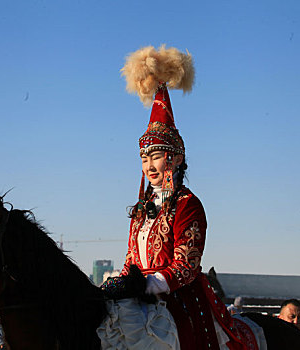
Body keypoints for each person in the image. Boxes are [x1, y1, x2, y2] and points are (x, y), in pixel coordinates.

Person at [101, 46, 256, 350]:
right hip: (139, 297)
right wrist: (121, 283)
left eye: (155, 156)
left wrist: (148, 284)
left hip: (179, 299)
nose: (149, 166)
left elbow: (186, 265)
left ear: (176, 158)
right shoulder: (142, 210)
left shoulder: (188, 205)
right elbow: (132, 259)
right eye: (144, 159)